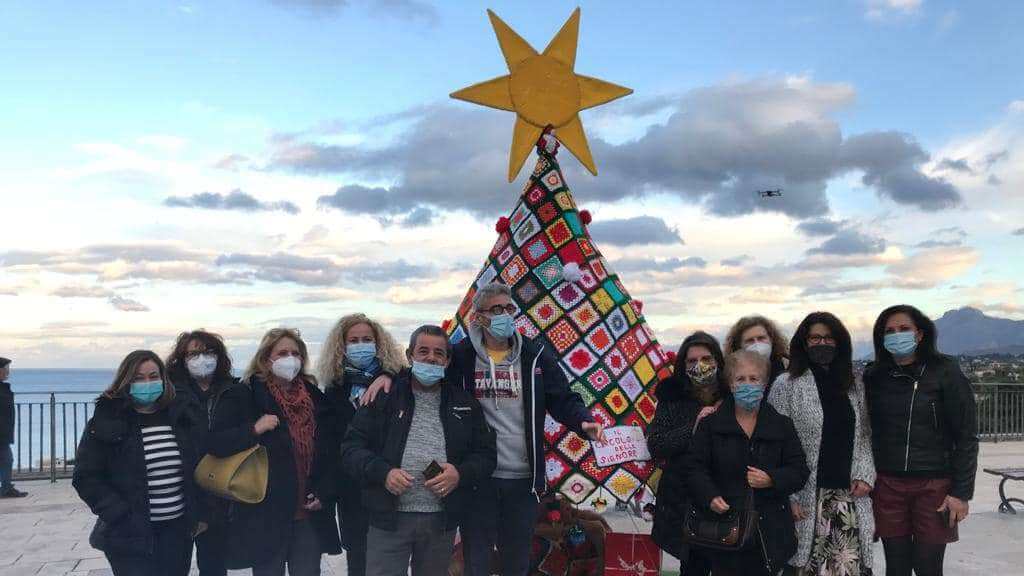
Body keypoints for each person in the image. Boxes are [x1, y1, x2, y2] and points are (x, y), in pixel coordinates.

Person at [362, 282, 604, 576]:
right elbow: (424, 366)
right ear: (478, 317)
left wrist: (582, 420)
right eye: (496, 309)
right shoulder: (461, 356)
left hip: (523, 479)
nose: (504, 315)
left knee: (516, 561)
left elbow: (563, 398)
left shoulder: (535, 355)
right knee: (476, 561)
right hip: (477, 478)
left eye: (509, 308)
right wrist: (387, 374)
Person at [341, 324, 496, 576]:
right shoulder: (383, 396)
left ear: (447, 361)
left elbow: (486, 455)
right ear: (409, 355)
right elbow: (351, 448)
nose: (431, 358)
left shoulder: (466, 403)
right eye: (423, 351)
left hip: (440, 521)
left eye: (438, 353)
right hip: (388, 518)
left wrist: (460, 473)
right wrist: (383, 473)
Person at [208, 328, 342, 576]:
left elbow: (333, 452)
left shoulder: (316, 398)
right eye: (282, 353)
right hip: (265, 514)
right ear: (265, 359)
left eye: (295, 353)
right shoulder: (244, 394)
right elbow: (216, 443)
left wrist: (325, 491)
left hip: (308, 511)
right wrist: (254, 429)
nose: (290, 358)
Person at [863, 305, 978, 576]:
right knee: (896, 567)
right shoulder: (874, 376)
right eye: (889, 331)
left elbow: (966, 436)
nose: (896, 335)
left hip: (934, 485)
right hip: (888, 484)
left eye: (904, 329)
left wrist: (961, 493)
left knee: (928, 567)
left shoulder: (945, 371)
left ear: (920, 334)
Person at [73, 350, 203, 576]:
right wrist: (120, 515)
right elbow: (86, 477)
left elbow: (197, 467)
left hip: (176, 532)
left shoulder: (180, 417)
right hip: (129, 533)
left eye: (153, 376)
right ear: (126, 381)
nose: (147, 383)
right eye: (138, 378)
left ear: (163, 379)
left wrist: (198, 513)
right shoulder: (107, 419)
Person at [768, 312, 876, 575]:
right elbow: (773, 443)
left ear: (839, 342)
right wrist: (787, 494)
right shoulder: (787, 384)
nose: (822, 343)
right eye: (815, 338)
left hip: (847, 497)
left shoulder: (852, 383)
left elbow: (863, 435)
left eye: (829, 338)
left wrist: (865, 474)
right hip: (805, 498)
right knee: (803, 566)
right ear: (804, 343)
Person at [686, 350, 809, 576]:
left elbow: (800, 470)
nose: (747, 384)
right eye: (740, 379)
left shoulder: (782, 425)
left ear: (764, 385)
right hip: (724, 529)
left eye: (754, 379)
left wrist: (772, 479)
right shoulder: (711, 425)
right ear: (731, 384)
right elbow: (694, 468)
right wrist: (710, 495)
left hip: (770, 533)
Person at [318, 314, 406, 576]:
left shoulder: (397, 381)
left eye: (367, 339)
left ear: (379, 344)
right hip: (351, 489)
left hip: (390, 484)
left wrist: (389, 373)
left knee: (390, 560)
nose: (361, 344)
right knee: (357, 559)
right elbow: (330, 442)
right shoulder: (334, 388)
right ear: (342, 346)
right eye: (354, 340)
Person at [647, 331, 729, 576]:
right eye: (692, 361)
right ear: (683, 365)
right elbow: (657, 445)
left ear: (718, 361)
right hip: (683, 501)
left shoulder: (733, 394)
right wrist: (693, 426)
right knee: (693, 567)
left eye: (706, 358)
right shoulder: (671, 396)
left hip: (726, 496)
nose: (699, 366)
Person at [165, 330, 238, 576]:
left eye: (208, 352)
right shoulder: (169, 395)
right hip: (180, 497)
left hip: (219, 495)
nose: (201, 358)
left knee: (215, 567)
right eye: (193, 353)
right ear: (182, 359)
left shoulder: (232, 391)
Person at [725, 315, 790, 391]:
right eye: (750, 340)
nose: (757, 344)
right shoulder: (731, 373)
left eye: (761, 338)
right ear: (739, 346)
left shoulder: (788, 367)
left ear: (772, 340)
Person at [0, 356, 27, 498]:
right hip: (1, 433)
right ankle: (5, 487)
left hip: (3, 433)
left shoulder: (3, 388)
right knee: (7, 459)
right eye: (5, 369)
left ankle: (6, 487)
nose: (7, 372)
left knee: (6, 459)